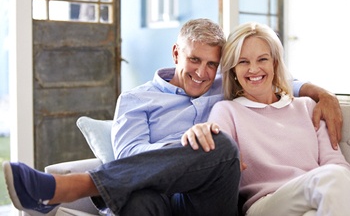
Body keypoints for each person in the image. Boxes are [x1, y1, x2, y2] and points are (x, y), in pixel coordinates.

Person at [2, 18, 343, 216]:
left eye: (212, 64)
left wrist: (321, 93)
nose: (202, 73)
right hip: (156, 194)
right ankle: (81, 186)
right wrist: (185, 143)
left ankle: (81, 185)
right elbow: (131, 158)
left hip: (208, 201)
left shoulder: (227, 85)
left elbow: (275, 82)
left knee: (219, 145)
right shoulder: (136, 100)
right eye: (195, 60)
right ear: (177, 52)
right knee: (141, 199)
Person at [182, 22, 350, 216]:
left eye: (262, 59)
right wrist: (199, 132)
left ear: (274, 63)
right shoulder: (227, 111)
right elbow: (217, 156)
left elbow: (337, 164)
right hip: (265, 205)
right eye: (243, 62)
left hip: (316, 195)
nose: (254, 69)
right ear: (233, 70)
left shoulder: (307, 107)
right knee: (332, 178)